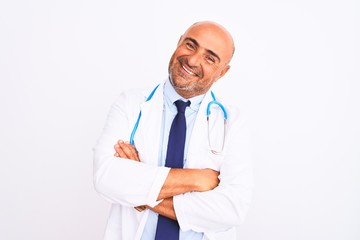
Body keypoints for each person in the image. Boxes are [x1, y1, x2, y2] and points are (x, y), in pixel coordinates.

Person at [93, 21, 253, 240]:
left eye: (210, 58)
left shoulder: (232, 122)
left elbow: (232, 209)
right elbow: (106, 178)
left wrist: (140, 194)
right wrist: (198, 180)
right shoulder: (130, 103)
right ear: (178, 42)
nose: (193, 60)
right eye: (190, 45)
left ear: (222, 72)